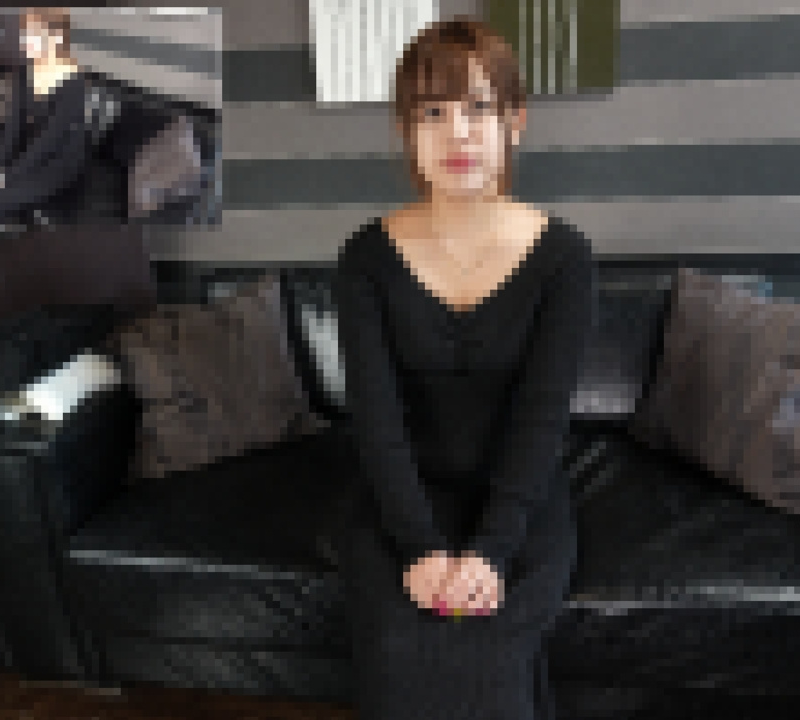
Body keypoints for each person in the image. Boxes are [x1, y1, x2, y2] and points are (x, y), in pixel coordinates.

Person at [333, 16, 597, 720]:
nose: (458, 133)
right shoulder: (366, 256)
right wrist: (420, 547)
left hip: (520, 502)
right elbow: (376, 420)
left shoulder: (564, 257)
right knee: (398, 649)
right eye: (432, 112)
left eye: (479, 107)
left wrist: (489, 551)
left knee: (492, 657)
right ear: (406, 130)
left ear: (515, 121)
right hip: (398, 504)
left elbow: (542, 418)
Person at [0, 7, 94, 227]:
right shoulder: (24, 74)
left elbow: (49, 140)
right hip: (28, 149)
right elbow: (13, 126)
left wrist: (8, 176)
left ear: (56, 37)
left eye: (34, 34)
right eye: (25, 33)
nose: (25, 41)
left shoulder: (74, 82)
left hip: (58, 163)